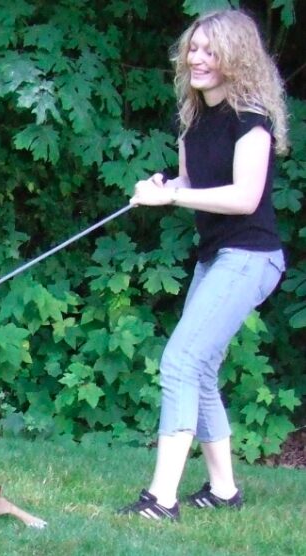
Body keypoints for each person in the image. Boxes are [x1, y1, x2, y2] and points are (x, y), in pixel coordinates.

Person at [119, 9, 289, 520]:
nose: (196, 58)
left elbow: (243, 198)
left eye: (210, 51)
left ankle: (161, 500)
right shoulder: (192, 119)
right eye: (193, 48)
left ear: (236, 58)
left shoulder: (251, 120)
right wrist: (164, 188)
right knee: (202, 369)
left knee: (179, 363)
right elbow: (193, 191)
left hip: (252, 256)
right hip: (216, 256)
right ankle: (223, 491)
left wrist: (172, 200)